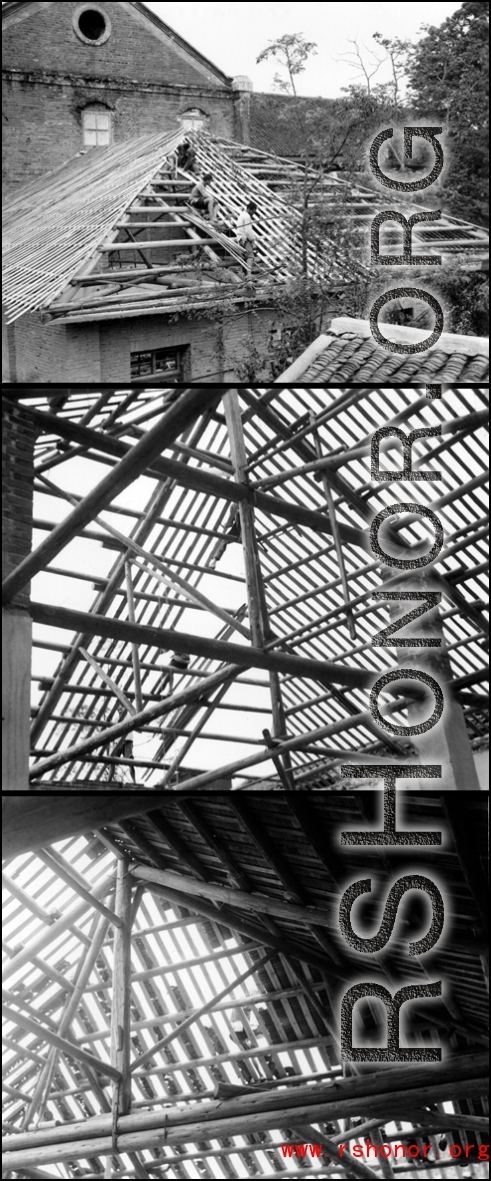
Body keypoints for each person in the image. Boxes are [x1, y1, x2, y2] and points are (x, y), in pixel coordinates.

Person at [236, 201, 258, 273]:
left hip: (240, 239)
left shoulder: (241, 215)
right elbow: (248, 231)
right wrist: (253, 241)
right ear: (249, 209)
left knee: (244, 257)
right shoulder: (247, 216)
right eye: (253, 212)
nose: (253, 214)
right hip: (245, 239)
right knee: (250, 256)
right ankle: (249, 275)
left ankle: (244, 275)